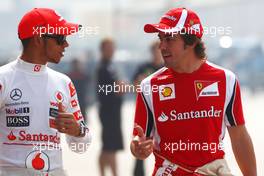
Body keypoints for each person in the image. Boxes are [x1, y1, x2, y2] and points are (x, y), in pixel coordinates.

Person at [130, 7, 256, 176]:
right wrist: (137, 148)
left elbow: (239, 136)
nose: (162, 46)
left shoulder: (226, 79)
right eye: (161, 38)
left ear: (191, 41)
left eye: (169, 39)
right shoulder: (148, 86)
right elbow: (139, 139)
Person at [0, 8, 91, 176]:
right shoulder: (3, 79)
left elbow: (81, 146)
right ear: (38, 39)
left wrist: (77, 130)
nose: (66, 44)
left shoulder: (64, 83)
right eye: (60, 38)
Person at [132, 41, 163, 176]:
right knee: (141, 142)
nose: (156, 53)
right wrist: (140, 82)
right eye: (154, 50)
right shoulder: (144, 67)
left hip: (163, 112)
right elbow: (135, 85)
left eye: (158, 50)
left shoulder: (167, 67)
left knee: (163, 145)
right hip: (147, 110)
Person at [96, 38, 124, 176]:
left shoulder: (111, 66)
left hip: (114, 111)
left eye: (112, 48)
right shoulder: (102, 68)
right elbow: (103, 90)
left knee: (109, 146)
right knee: (109, 146)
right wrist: (118, 88)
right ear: (102, 50)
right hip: (108, 112)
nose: (111, 51)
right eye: (108, 48)